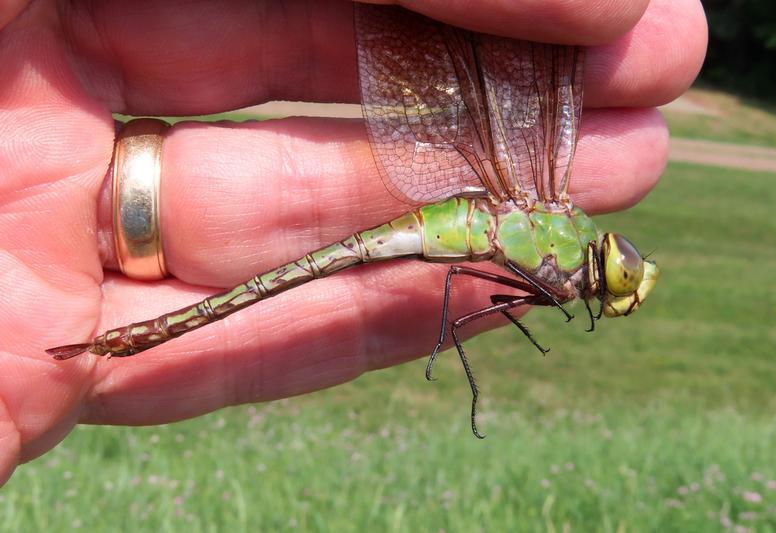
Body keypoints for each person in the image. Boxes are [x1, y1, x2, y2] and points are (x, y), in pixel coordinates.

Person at [0, 0, 707, 485]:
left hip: (470, 229)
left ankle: (113, 341)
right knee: (442, 313)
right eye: (620, 274)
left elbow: (490, 297)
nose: (618, 279)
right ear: (601, 257)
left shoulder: (561, 247)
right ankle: (126, 338)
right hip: (457, 226)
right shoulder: (562, 244)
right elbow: (481, 304)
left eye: (621, 278)